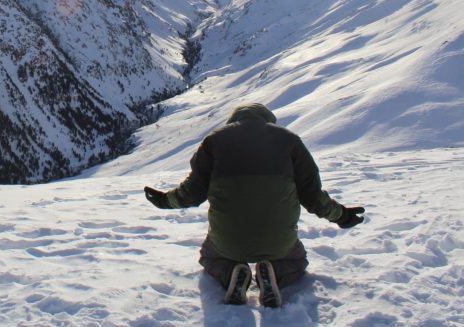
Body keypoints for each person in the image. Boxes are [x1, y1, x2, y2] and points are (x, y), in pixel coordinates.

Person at [144, 103, 364, 307]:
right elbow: (313, 197)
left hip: (227, 241)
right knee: (295, 261)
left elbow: (191, 194)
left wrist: (165, 201)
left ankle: (232, 274)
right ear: (268, 120)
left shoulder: (214, 141)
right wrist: (342, 216)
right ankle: (274, 274)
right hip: (279, 241)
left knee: (210, 257)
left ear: (234, 120)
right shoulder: (290, 141)